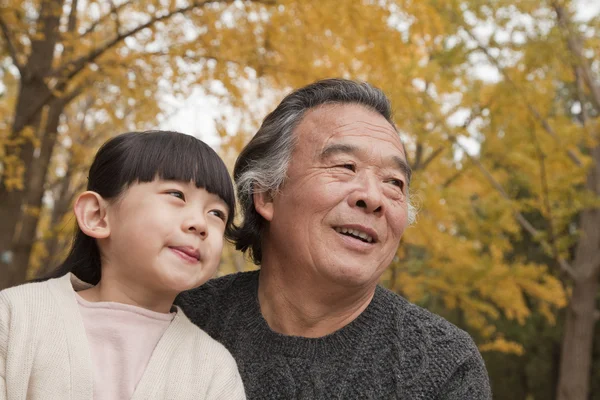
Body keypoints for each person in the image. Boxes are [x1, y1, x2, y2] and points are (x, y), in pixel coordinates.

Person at [177, 79, 492, 399]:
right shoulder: (180, 318)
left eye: (394, 182)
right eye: (345, 166)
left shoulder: (444, 366)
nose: (373, 197)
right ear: (268, 194)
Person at [0, 131, 246, 400]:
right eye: (176, 194)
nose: (200, 224)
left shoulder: (214, 370)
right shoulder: (14, 317)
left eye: (216, 214)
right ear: (97, 216)